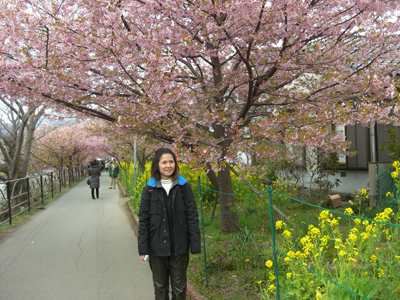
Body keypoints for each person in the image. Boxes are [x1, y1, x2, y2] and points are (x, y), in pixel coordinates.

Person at [138, 148, 201, 300]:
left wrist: (195, 244)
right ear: (157, 165)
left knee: (179, 288)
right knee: (160, 288)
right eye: (164, 162)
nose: (168, 166)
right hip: (157, 247)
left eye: (171, 162)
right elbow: (144, 220)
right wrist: (143, 248)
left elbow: (192, 216)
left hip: (179, 247)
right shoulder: (149, 190)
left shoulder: (183, 187)